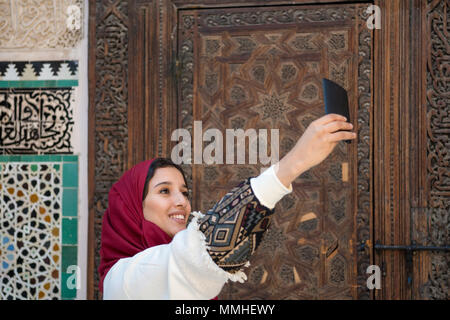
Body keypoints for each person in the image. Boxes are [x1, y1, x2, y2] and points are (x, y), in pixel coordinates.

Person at [98, 113, 356, 299]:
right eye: (164, 191)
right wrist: (293, 163)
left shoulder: (177, 267)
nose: (182, 202)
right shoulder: (122, 281)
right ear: (131, 209)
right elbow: (202, 250)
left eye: (184, 192)